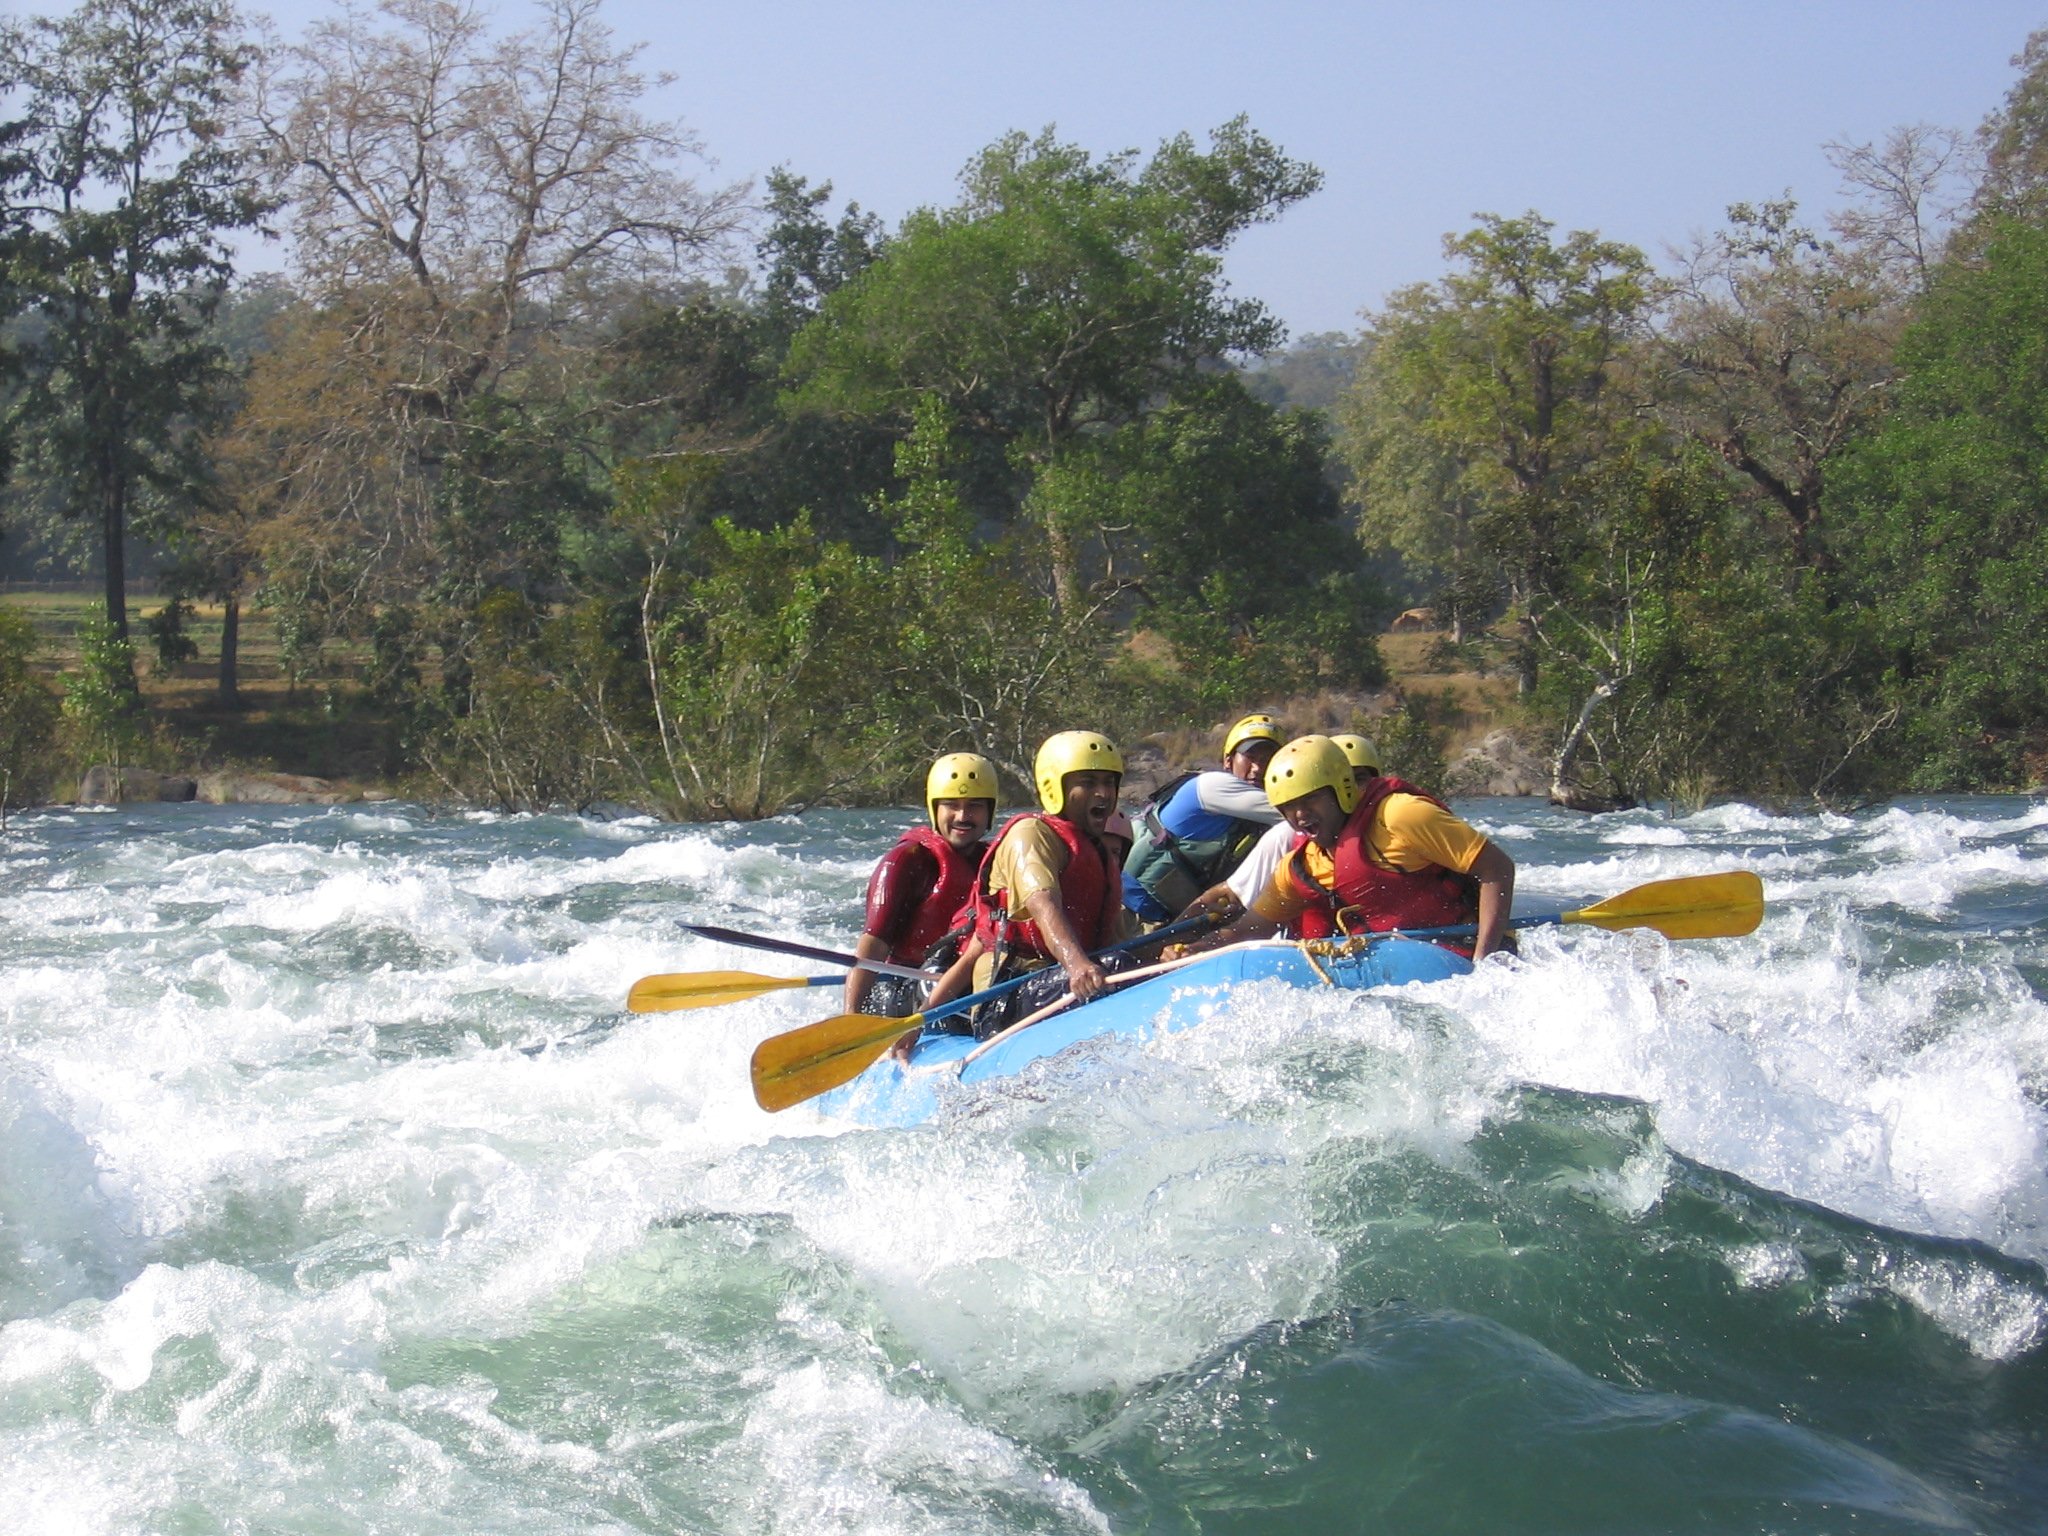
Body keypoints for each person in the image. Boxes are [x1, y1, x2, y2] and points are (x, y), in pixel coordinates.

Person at [1173, 734, 1516, 961]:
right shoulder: (1302, 866)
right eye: (1288, 807)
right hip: (1404, 967)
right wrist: (1198, 948)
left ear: (1342, 790)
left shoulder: (1400, 815)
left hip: (1460, 951)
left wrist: (1484, 962)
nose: (1300, 815)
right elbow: (1251, 928)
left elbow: (1497, 868)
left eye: (1311, 799)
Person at [925, 729, 1134, 1035]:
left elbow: (1114, 940)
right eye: (1088, 783)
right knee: (1117, 966)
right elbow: (1042, 903)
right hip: (1004, 999)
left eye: (1108, 782)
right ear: (1055, 786)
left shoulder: (1100, 853)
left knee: (1126, 962)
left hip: (1059, 981)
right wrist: (1076, 964)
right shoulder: (1030, 835)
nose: (1102, 793)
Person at [843, 752, 997, 1017]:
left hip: (958, 979)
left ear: (989, 812)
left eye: (975, 805)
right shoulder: (904, 861)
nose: (963, 816)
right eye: (951, 805)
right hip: (901, 986)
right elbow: (873, 946)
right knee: (939, 978)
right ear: (935, 809)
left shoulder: (995, 861)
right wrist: (852, 1016)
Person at [1119, 713, 1286, 925]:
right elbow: (1297, 816)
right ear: (1228, 761)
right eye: (1250, 757)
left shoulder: (1251, 816)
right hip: (1132, 912)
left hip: (1164, 918)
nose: (1258, 768)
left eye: (1267, 760)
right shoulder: (1213, 786)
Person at [1199, 732, 1382, 925]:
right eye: (1345, 781)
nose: (1351, 790)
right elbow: (1234, 899)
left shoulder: (1393, 820)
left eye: (1359, 779)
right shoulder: (1286, 838)